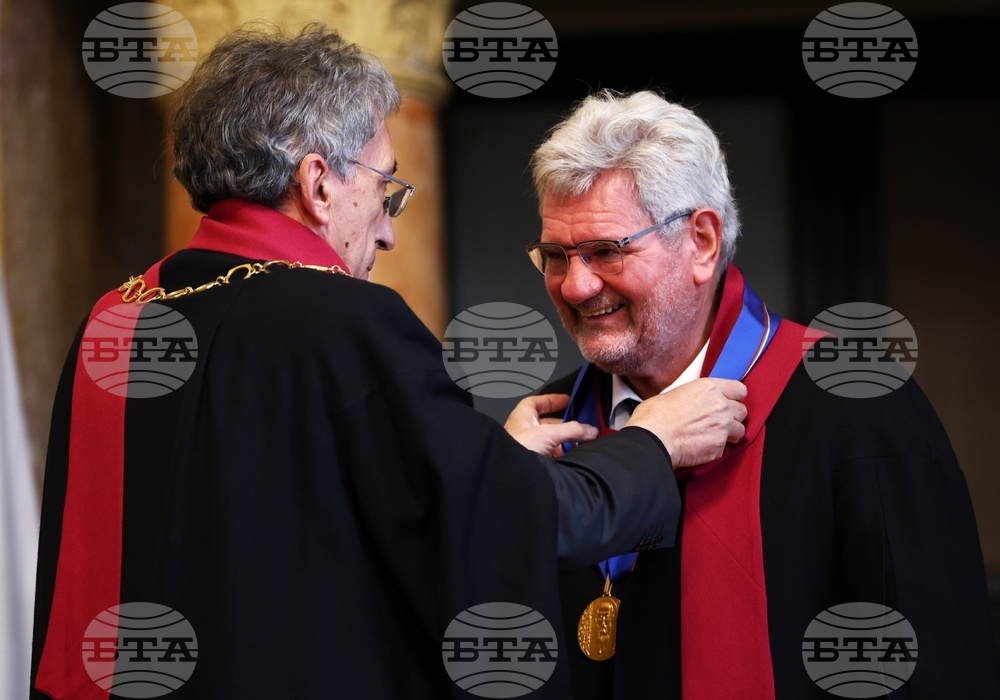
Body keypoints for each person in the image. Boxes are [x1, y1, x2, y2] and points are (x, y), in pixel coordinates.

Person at [28, 28, 749, 700]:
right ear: (317, 184)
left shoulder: (117, 318)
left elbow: (272, 515)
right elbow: (498, 534)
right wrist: (651, 446)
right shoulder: (339, 320)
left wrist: (486, 461)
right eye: (384, 190)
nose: (389, 232)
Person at [528, 90, 1000, 698]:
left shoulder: (855, 401)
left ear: (700, 241)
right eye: (556, 256)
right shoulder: (553, 428)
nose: (576, 285)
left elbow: (935, 666)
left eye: (606, 251)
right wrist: (506, 490)